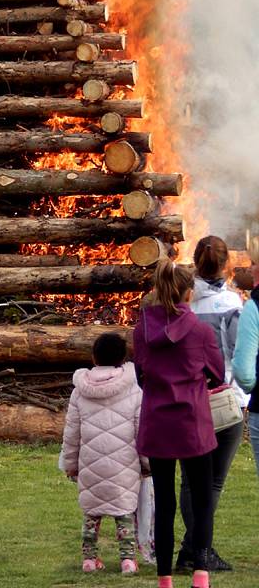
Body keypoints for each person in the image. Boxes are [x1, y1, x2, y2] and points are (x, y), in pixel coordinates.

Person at [134, 260, 224, 588]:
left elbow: (140, 375)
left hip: (158, 422)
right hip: (193, 423)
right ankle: (200, 572)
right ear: (190, 292)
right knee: (201, 498)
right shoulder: (200, 331)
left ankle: (164, 578)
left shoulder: (143, 328)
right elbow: (216, 373)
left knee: (165, 500)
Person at [176, 236, 246, 574]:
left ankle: (192, 549)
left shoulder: (184, 301)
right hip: (224, 396)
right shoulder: (232, 303)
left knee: (189, 482)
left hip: (187, 396)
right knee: (213, 482)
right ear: (226, 265)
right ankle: (197, 549)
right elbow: (237, 351)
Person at [61, 332, 145, 576]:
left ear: (93, 357)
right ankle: (128, 560)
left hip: (90, 464)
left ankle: (89, 559)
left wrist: (70, 464)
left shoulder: (80, 391)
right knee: (124, 513)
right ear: (123, 358)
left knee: (91, 513)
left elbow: (72, 432)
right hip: (125, 465)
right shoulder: (134, 390)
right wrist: (147, 463)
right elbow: (142, 431)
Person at [233, 261, 259, 475]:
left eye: (254, 263)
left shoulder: (254, 306)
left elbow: (243, 371)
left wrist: (251, 387)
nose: (249, 269)